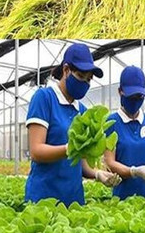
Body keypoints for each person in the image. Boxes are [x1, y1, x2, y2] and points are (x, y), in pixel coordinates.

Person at [24, 43, 120, 206]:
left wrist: (98, 174)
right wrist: (71, 148)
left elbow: (80, 164)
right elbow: (36, 151)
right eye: (81, 76)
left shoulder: (82, 111)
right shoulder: (45, 98)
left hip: (74, 198)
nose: (85, 83)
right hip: (44, 198)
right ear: (66, 70)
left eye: (89, 79)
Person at [103, 66, 145, 199]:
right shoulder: (111, 123)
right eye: (131, 95)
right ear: (120, 91)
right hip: (122, 201)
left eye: (139, 96)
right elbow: (109, 162)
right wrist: (134, 172)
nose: (135, 100)